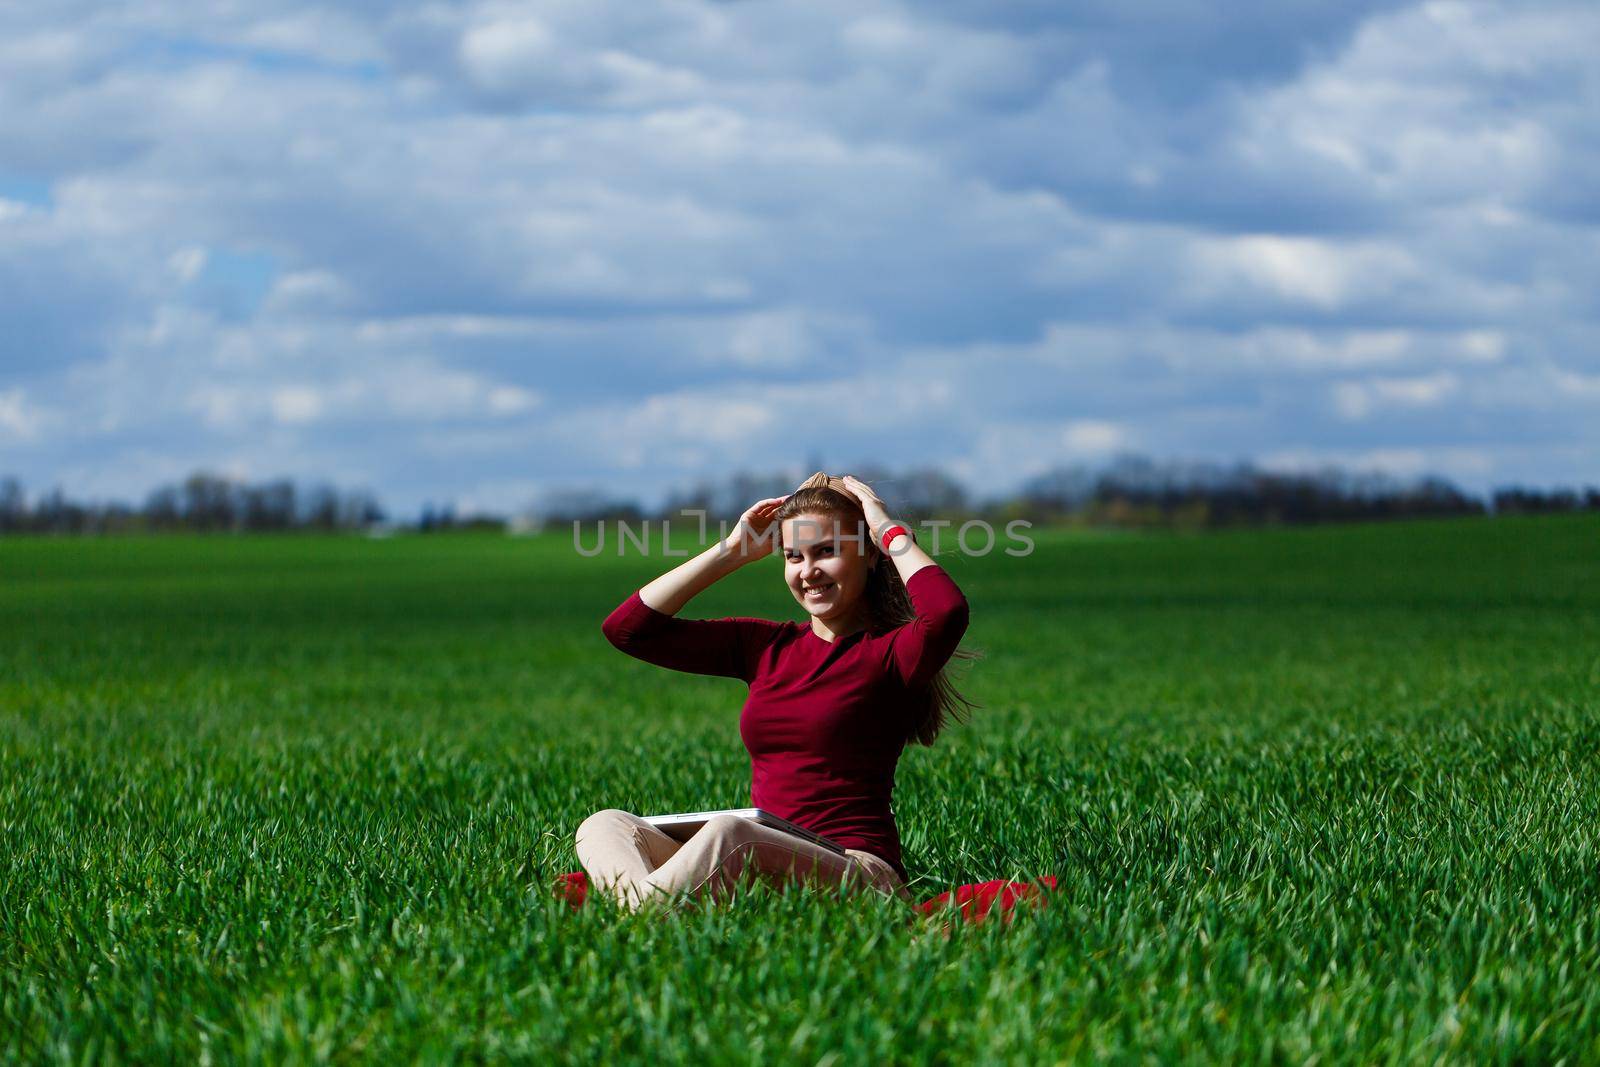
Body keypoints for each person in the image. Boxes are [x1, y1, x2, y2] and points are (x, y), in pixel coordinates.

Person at [575, 471, 981, 912]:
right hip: (764, 873)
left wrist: (887, 530)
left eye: (827, 551)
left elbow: (946, 611)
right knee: (606, 824)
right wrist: (729, 553)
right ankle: (649, 905)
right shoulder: (765, 647)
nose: (809, 572)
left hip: (858, 874)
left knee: (730, 834)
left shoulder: (892, 654)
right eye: (794, 556)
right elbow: (628, 630)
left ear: (868, 556)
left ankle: (636, 910)